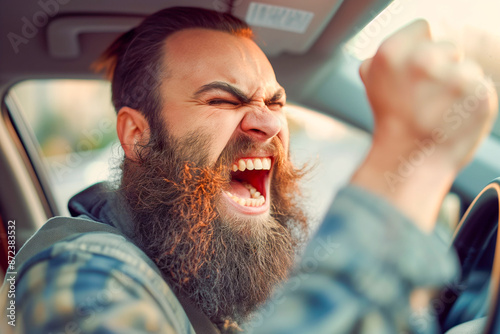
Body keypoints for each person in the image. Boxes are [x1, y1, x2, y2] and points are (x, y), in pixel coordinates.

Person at [1, 6, 497, 334]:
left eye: (275, 102)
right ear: (136, 134)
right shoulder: (78, 272)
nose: (266, 122)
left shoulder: (197, 273)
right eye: (221, 99)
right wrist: (411, 167)